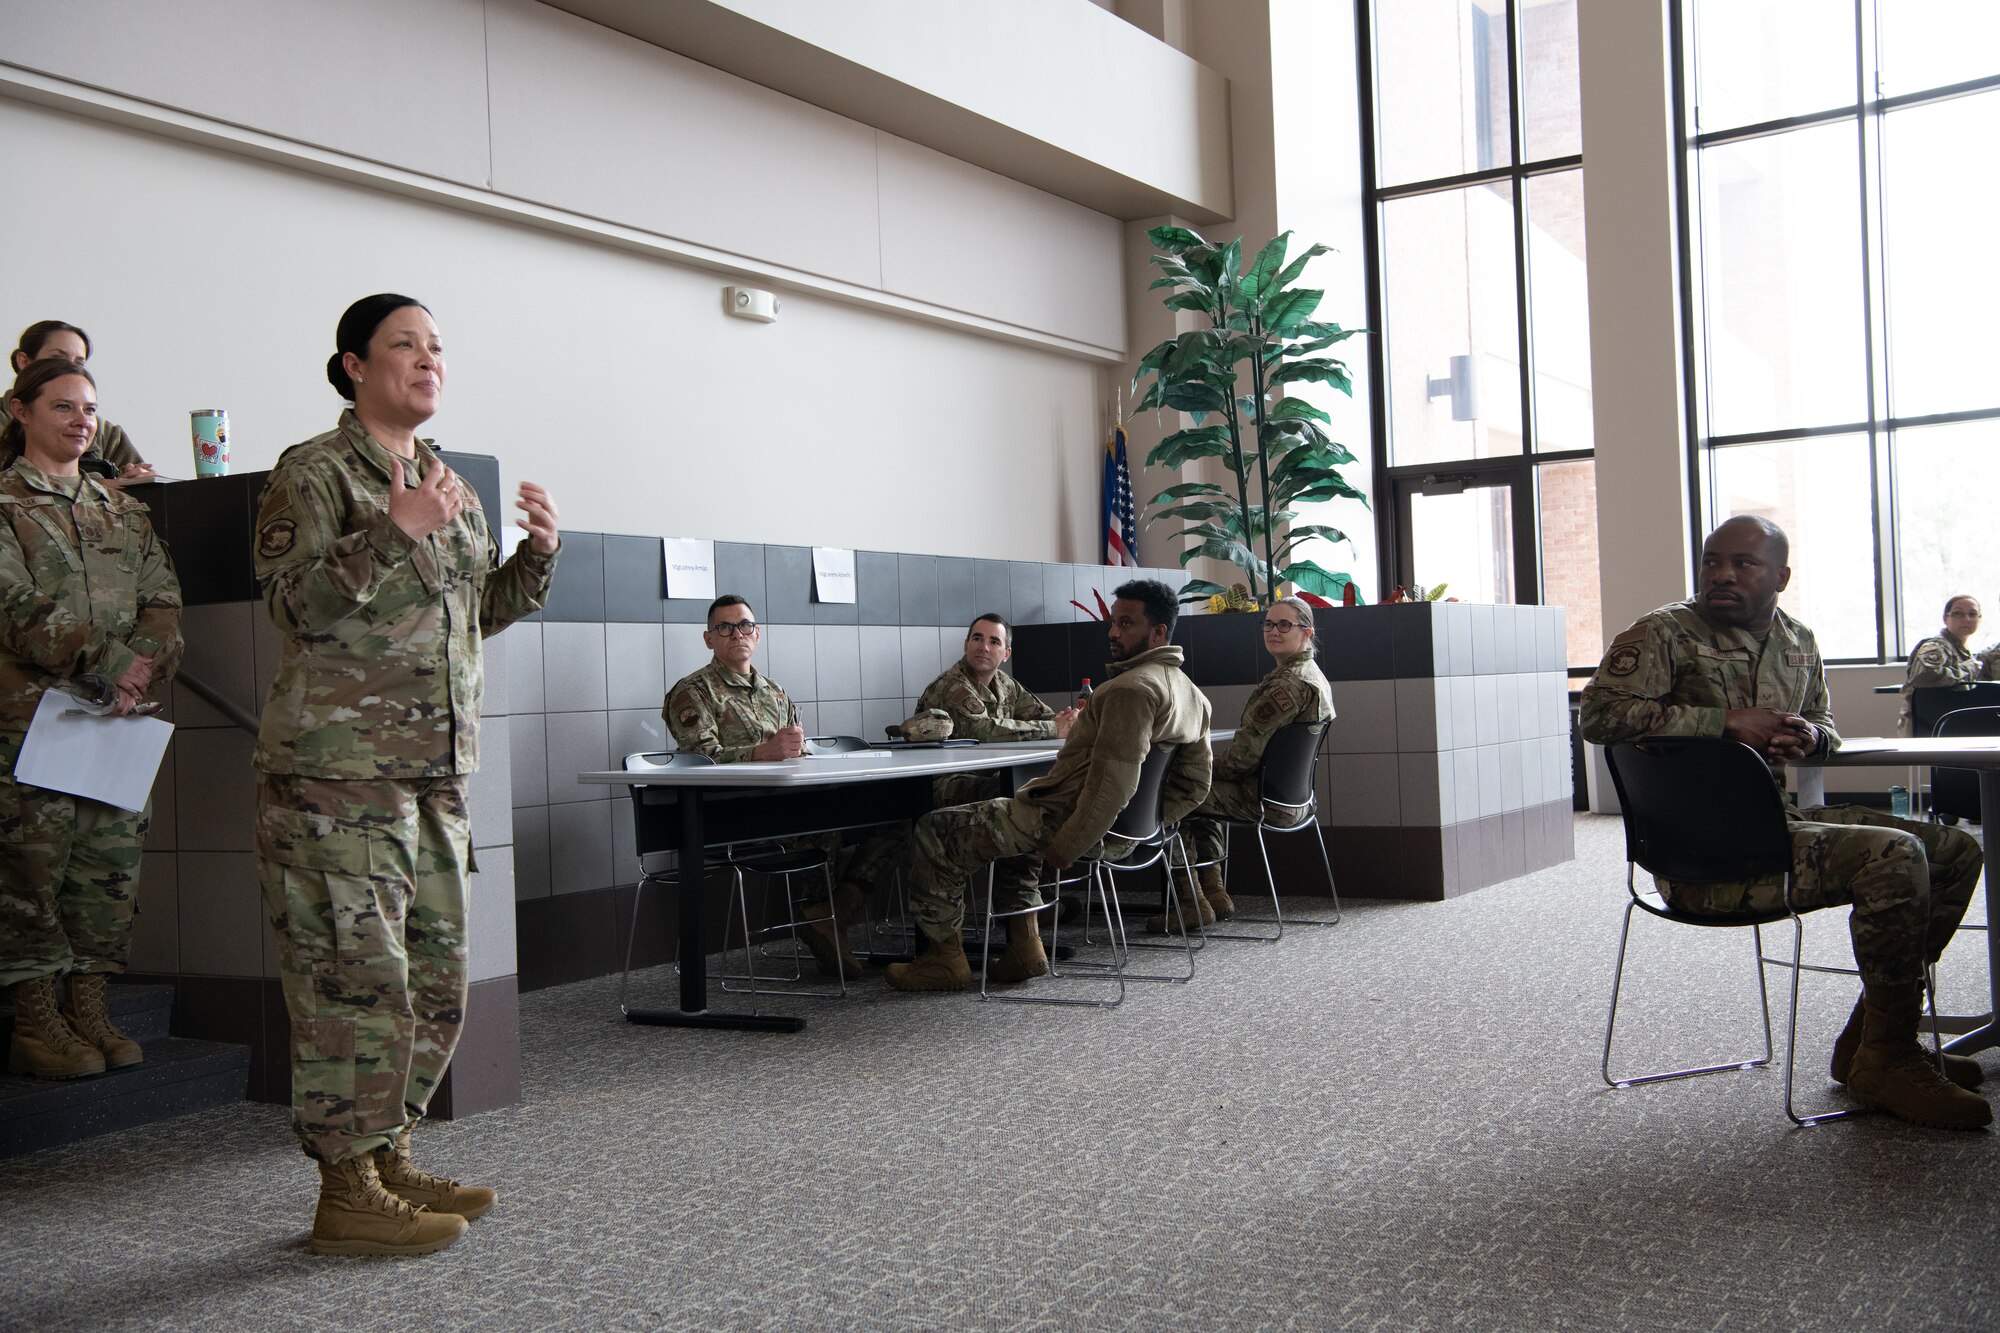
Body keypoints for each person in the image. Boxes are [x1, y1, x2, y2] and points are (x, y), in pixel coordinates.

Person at [253, 294, 561, 1256]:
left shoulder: (445, 478)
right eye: (405, 345)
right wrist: (394, 527)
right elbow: (294, 606)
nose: (428, 360)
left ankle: (388, 1157)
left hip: (432, 779)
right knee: (355, 987)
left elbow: (472, 614)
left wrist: (538, 559)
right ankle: (344, 1190)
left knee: (433, 985)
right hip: (336, 783)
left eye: (437, 347)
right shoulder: (313, 473)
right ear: (353, 365)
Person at [1580, 515, 1990, 1130]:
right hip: (1705, 854)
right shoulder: (1663, 632)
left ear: (1780, 576)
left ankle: (1877, 1046)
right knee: (1896, 855)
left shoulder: (1798, 639)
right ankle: (1891, 1056)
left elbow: (1824, 721)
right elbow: (1598, 716)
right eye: (1713, 561)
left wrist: (1810, 736)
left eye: (1742, 564)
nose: (1722, 574)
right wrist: (1725, 721)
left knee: (1954, 850)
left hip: (1777, 825)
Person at [886, 579, 1212, 993]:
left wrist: (1068, 845)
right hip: (1123, 831)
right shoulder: (1192, 695)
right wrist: (1147, 824)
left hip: (1065, 823)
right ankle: (1024, 946)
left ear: (1159, 632)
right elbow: (1196, 784)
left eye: (1126, 624)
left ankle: (944, 960)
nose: (1113, 632)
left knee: (934, 829)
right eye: (1113, 623)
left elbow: (1113, 785)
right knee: (1013, 809)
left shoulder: (1129, 690)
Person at [0, 357, 182, 1080]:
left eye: (90, 408)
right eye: (63, 405)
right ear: (21, 410)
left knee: (108, 871)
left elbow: (164, 601)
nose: (81, 420)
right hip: (31, 722)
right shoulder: (6, 506)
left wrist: (143, 666)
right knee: (32, 871)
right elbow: (13, 605)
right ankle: (35, 1021)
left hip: (115, 722)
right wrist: (111, 660)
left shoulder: (123, 511)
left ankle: (89, 1008)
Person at [663, 594, 860, 978]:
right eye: (725, 627)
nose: (737, 633)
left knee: (886, 823)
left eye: (745, 626)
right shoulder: (693, 692)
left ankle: (827, 916)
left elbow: (796, 751)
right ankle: (820, 916)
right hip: (731, 814)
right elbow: (700, 757)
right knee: (827, 821)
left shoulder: (775, 692)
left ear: (758, 634)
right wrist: (762, 752)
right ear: (709, 639)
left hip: (787, 805)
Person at [836, 615, 1081, 908]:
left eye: (994, 641)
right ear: (966, 645)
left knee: (1029, 794)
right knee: (1019, 800)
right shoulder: (954, 686)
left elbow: (1043, 716)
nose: (984, 647)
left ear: (1006, 654)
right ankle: (1020, 907)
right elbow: (985, 729)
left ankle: (1024, 906)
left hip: (975, 777)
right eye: (977, 638)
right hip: (937, 784)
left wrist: (1069, 721)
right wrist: (1055, 728)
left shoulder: (1004, 684)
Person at [1150, 595, 1333, 934]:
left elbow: (1239, 764)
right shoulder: (1311, 675)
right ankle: (1214, 894)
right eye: (1268, 623)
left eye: (1284, 625)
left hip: (1266, 801)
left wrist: (1186, 767)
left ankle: (1191, 903)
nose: (1273, 631)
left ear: (1307, 632)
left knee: (1174, 793)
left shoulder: (1288, 684)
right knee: (1198, 790)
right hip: (1295, 800)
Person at [6, 321, 154, 486]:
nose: (68, 367)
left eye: (79, 363)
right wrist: (100, 487)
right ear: (24, 361)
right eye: (57, 358)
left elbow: (138, 483)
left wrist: (137, 480)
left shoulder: (104, 431)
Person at [1897, 594, 1999, 736]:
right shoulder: (1936, 646)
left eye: (1972, 614)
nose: (1966, 619)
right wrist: (1968, 668)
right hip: (1929, 729)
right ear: (1946, 618)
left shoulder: (1964, 652)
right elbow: (1924, 677)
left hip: (1953, 727)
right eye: (1958, 613)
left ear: (1979, 619)